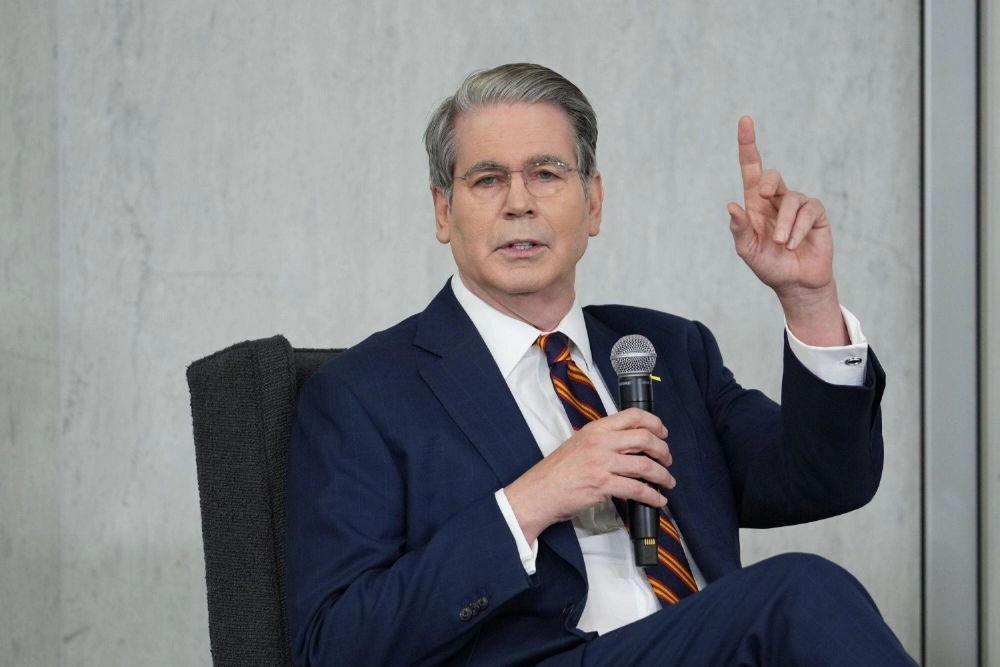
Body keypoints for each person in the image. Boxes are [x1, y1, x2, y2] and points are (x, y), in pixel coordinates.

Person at [284, 63, 916, 666]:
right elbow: (333, 644)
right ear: (444, 211)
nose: (519, 203)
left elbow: (830, 480)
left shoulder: (668, 350)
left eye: (546, 174)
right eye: (486, 179)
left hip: (711, 645)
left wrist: (808, 300)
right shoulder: (364, 395)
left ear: (594, 202)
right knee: (798, 594)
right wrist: (529, 503)